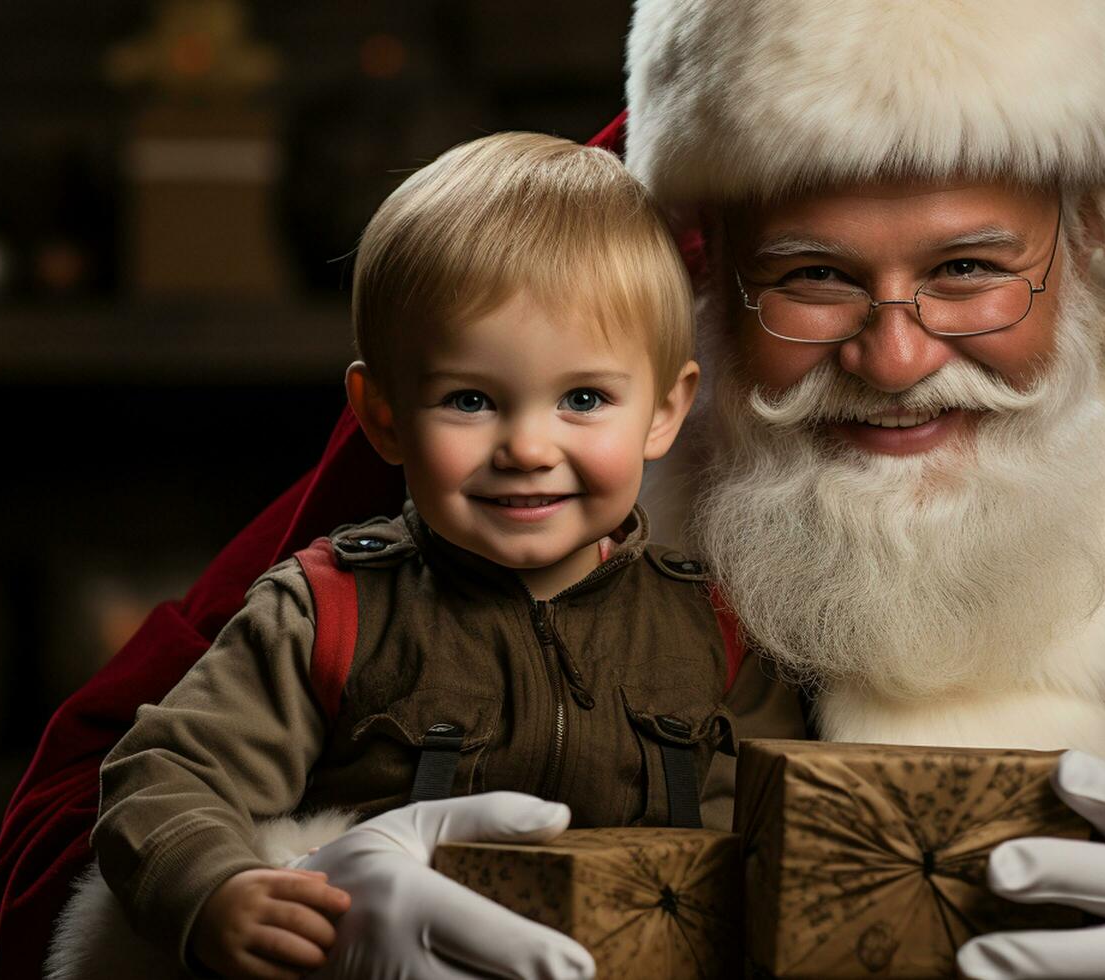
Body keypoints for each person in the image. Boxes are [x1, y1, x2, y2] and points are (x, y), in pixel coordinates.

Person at [0, 2, 1105, 978]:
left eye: (973, 271)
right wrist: (279, 914)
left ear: (1089, 256)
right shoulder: (520, 471)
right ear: (697, 275)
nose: (901, 358)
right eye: (814, 281)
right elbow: (57, 848)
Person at [51, 130, 758, 980]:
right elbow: (165, 774)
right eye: (469, 400)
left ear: (664, 410)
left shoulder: (712, 630)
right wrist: (217, 890)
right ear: (381, 415)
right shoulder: (328, 613)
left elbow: (768, 842)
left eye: (583, 398)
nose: (527, 447)